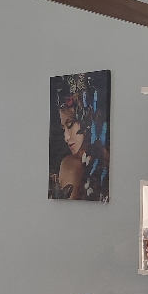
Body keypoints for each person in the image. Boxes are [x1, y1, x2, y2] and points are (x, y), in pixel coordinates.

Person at [50, 73, 110, 201]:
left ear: (86, 120)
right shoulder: (69, 164)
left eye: (70, 124)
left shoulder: (105, 161)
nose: (66, 137)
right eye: (63, 129)